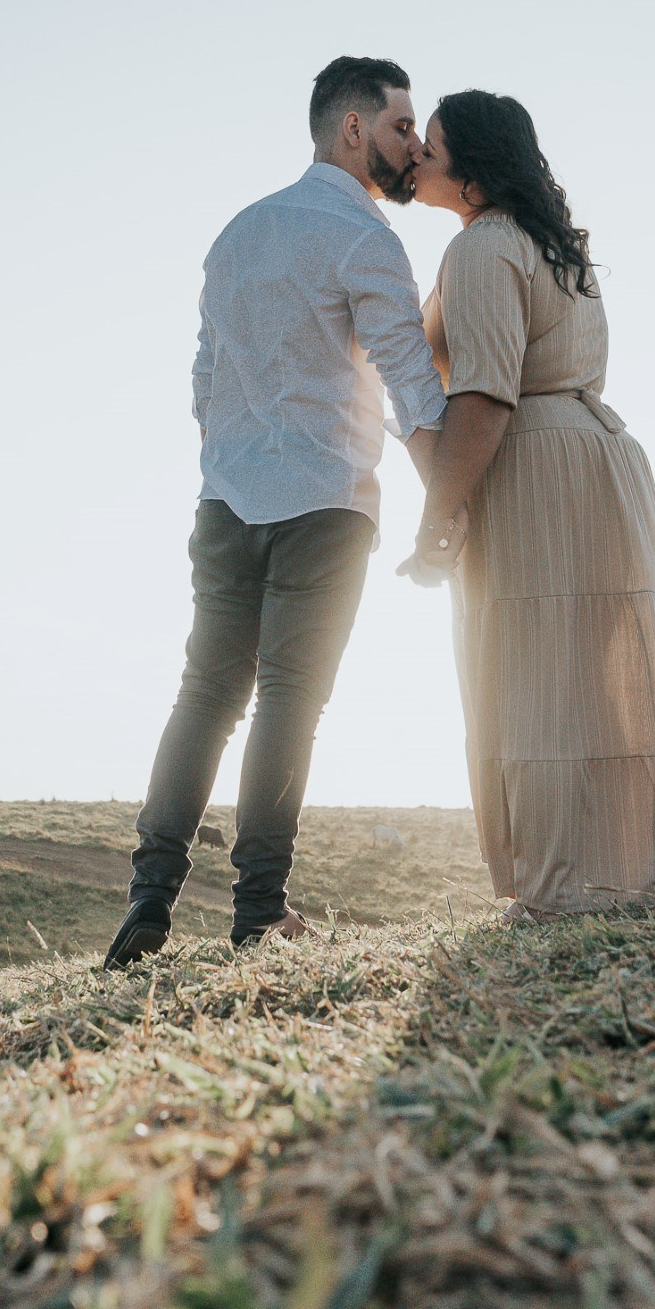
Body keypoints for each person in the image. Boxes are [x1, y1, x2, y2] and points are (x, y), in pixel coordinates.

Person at [103, 57, 446, 970]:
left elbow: (203, 381)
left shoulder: (237, 234)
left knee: (205, 695)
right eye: (402, 127)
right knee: (290, 702)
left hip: (226, 502)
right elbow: (414, 386)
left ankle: (149, 894)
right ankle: (259, 909)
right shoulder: (364, 238)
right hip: (327, 507)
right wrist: (452, 493)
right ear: (352, 130)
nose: (415, 145)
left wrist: (231, 459)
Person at [400, 90, 655, 916]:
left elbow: (485, 397)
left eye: (431, 147)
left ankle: (555, 882)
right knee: (601, 673)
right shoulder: (554, 248)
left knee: (532, 671)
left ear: (471, 173)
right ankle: (623, 871)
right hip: (602, 457)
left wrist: (438, 519)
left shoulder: (483, 251)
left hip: (535, 462)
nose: (418, 159)